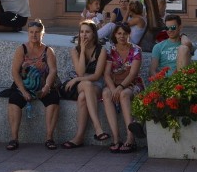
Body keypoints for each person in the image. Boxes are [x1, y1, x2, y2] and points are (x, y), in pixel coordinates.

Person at [6, 20, 60, 151]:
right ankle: (14, 138)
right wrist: (23, 91)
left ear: (42, 34)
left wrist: (47, 86)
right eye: (31, 32)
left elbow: (53, 70)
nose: (34, 35)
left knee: (53, 99)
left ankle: (49, 138)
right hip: (24, 84)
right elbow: (15, 71)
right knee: (14, 99)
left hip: (43, 84)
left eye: (37, 32)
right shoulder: (21, 49)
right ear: (28, 33)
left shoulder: (48, 51)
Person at [60, 20, 109, 148]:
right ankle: (98, 128)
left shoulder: (102, 51)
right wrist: (82, 51)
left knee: (83, 97)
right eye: (81, 32)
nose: (84, 35)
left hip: (95, 83)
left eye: (87, 32)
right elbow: (80, 72)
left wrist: (77, 79)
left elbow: (97, 75)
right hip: (82, 85)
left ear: (94, 34)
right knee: (86, 85)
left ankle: (79, 137)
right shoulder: (75, 50)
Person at [102, 23, 144, 153]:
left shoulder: (136, 50)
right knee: (106, 93)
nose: (122, 36)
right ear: (115, 35)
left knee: (124, 94)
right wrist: (113, 88)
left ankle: (130, 138)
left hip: (133, 85)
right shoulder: (111, 51)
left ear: (129, 34)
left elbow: (133, 74)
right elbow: (107, 74)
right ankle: (116, 138)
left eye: (125, 34)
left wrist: (119, 87)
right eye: (119, 33)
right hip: (114, 84)